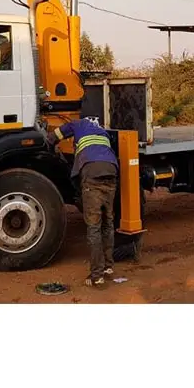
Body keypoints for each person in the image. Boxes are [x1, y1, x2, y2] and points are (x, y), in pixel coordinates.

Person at [47, 117, 119, 287]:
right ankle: (109, 267)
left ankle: (97, 276)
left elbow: (54, 136)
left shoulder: (76, 124)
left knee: (94, 227)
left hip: (91, 172)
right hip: (111, 170)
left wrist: (50, 146)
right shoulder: (101, 130)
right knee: (108, 222)